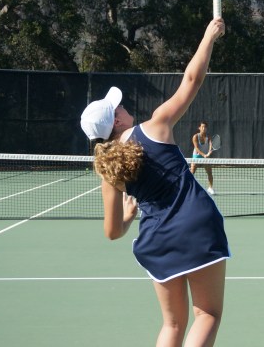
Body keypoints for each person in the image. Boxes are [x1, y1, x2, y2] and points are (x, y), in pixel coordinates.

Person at [81, 18, 229, 347]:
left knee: (173, 325)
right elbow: (192, 78)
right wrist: (208, 36)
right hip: (198, 225)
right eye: (117, 107)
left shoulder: (107, 170)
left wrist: (130, 217)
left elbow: (112, 232)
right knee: (208, 315)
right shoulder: (156, 125)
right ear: (117, 119)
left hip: (156, 240)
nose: (122, 106)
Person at [190, 121, 215, 195]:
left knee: (209, 172)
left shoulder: (208, 137)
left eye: (205, 127)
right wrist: (204, 155)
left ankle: (210, 188)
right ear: (199, 128)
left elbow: (210, 145)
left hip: (205, 157)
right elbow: (197, 148)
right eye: (202, 127)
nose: (204, 128)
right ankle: (189, 187)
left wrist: (209, 151)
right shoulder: (195, 136)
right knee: (192, 172)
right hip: (196, 156)